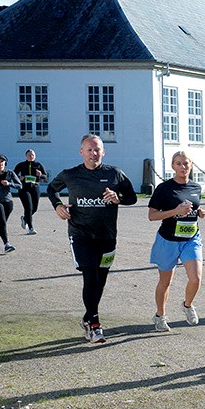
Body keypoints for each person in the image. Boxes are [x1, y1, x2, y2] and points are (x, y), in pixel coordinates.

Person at [47, 134, 138, 343]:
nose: (93, 153)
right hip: (81, 234)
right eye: (89, 149)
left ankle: (88, 318)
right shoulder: (71, 174)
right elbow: (51, 189)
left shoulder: (114, 174)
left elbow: (132, 197)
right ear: (81, 152)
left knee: (100, 281)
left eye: (97, 149)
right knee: (90, 275)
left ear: (103, 152)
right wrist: (57, 206)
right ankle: (95, 325)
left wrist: (118, 199)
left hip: (107, 236)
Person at [148, 152, 205, 331]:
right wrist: (175, 211)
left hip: (191, 239)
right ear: (173, 166)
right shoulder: (164, 188)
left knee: (195, 278)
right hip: (168, 240)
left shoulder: (196, 187)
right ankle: (160, 315)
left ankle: (188, 305)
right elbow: (152, 215)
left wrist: (199, 212)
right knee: (165, 282)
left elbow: (193, 207)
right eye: (179, 164)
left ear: (191, 165)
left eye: (186, 163)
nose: (183, 167)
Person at [13, 149, 47, 235]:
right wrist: (19, 178)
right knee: (28, 207)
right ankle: (31, 227)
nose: (31, 156)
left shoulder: (38, 165)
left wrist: (40, 175)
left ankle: (25, 219)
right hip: (24, 188)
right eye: (29, 155)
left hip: (35, 188)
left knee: (34, 208)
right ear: (26, 156)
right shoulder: (21, 165)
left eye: (32, 155)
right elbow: (13, 175)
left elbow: (45, 176)